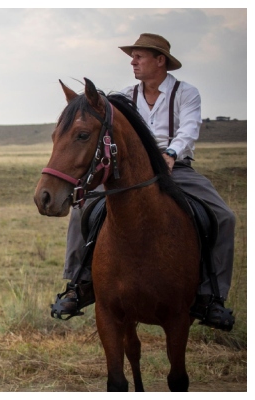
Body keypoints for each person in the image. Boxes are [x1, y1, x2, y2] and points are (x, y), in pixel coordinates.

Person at [53, 33, 237, 331]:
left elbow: (189, 129)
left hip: (176, 167)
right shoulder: (126, 96)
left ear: (160, 60)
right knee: (81, 211)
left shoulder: (186, 93)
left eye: (139, 56)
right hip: (130, 170)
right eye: (133, 56)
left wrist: (172, 153)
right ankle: (79, 284)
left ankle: (211, 297)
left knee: (224, 217)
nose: (133, 61)